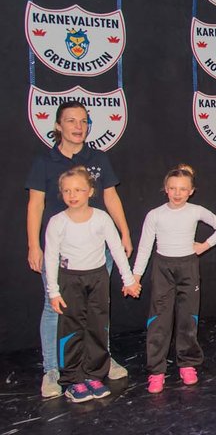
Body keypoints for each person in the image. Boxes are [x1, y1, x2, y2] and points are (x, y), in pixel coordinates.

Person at [25, 101, 132, 398]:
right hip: (61, 253)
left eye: (83, 121)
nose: (78, 126)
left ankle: (101, 360)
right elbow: (35, 205)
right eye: (71, 120)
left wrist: (124, 232)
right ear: (58, 126)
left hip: (97, 250)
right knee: (54, 308)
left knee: (97, 308)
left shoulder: (98, 158)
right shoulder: (44, 161)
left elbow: (111, 197)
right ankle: (51, 370)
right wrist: (34, 245)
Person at [44, 167, 140, 403]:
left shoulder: (102, 218)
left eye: (78, 190)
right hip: (70, 280)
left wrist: (128, 280)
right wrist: (54, 292)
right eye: (67, 191)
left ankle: (94, 375)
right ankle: (73, 380)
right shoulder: (57, 222)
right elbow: (51, 257)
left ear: (90, 191)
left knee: (97, 327)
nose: (72, 195)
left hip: (97, 278)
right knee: (72, 330)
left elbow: (116, 249)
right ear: (61, 193)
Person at [132, 165, 216, 393]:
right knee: (159, 319)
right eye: (173, 188)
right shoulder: (155, 215)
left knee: (188, 317)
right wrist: (135, 277)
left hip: (188, 267)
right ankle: (157, 370)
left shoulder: (196, 211)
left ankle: (187, 364)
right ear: (165, 189)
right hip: (162, 268)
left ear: (191, 191)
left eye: (183, 189)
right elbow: (144, 247)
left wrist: (204, 246)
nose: (177, 193)